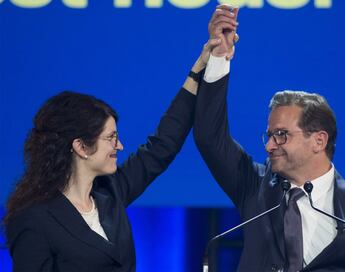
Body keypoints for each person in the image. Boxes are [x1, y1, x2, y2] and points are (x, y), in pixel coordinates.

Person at [194, 5, 345, 271]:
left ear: (319, 141)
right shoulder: (255, 188)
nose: (269, 145)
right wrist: (219, 58)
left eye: (281, 135)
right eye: (270, 135)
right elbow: (209, 137)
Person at [2, 30, 229, 271]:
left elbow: (163, 145)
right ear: (80, 146)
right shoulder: (32, 218)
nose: (119, 146)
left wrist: (200, 67)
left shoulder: (110, 193)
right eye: (111, 138)